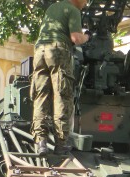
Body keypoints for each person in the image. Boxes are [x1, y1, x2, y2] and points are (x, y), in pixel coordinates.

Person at [31, 0, 90, 155]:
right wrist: (87, 37)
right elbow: (76, 38)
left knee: (41, 95)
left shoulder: (52, 8)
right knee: (62, 94)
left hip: (39, 52)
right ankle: (61, 143)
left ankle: (41, 142)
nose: (86, 3)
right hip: (57, 51)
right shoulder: (72, 10)